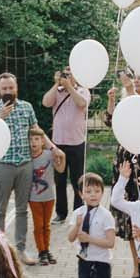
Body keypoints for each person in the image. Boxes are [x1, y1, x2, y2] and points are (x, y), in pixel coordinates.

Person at [107, 74, 140, 278]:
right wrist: (112, 100)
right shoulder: (126, 101)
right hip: (126, 158)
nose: (136, 81)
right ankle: (137, 264)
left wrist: (129, 89)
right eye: (134, 78)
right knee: (130, 216)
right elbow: (110, 121)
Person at [0, 73, 40, 265]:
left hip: (25, 164)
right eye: (4, 88)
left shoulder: (27, 107)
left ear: (16, 88)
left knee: (22, 209)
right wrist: (0, 117)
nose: (8, 91)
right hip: (3, 164)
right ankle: (0, 250)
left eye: (11, 87)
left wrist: (52, 148)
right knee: (0, 210)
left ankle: (20, 250)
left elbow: (35, 130)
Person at [43, 68, 89, 219]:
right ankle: (61, 213)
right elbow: (46, 102)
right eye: (64, 74)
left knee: (78, 181)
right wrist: (56, 84)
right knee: (60, 180)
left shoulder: (82, 91)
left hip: (76, 143)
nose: (66, 77)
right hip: (58, 144)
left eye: (69, 74)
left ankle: (78, 213)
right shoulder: (57, 91)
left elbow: (81, 104)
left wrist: (69, 86)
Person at [27, 127, 64, 265]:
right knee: (38, 226)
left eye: (36, 139)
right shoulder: (27, 158)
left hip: (49, 197)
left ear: (43, 141)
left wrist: (61, 156)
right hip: (34, 199)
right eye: (30, 139)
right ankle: (41, 251)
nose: (33, 142)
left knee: (46, 226)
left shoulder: (49, 155)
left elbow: (61, 169)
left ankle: (47, 250)